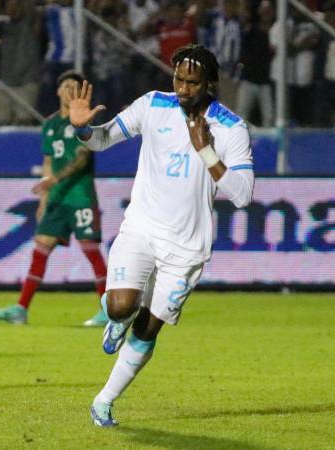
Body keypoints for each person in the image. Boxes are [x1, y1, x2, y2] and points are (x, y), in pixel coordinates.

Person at [67, 44, 254, 427]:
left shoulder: (231, 128)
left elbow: (243, 195)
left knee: (148, 327)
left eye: (193, 82)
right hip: (142, 228)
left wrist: (207, 153)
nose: (184, 89)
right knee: (120, 306)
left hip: (187, 248)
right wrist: (82, 128)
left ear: (210, 83)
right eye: (179, 80)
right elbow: (101, 140)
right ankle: (116, 317)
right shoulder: (153, 105)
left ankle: (104, 401)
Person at [0, 70, 108, 327]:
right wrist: (44, 198)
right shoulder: (50, 125)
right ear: (57, 91)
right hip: (56, 200)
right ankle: (21, 309)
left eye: (74, 87)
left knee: (91, 251)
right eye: (65, 86)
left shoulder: (83, 123)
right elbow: (47, 162)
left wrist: (55, 180)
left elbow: (82, 158)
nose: (69, 90)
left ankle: (109, 310)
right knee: (41, 247)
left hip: (80, 197)